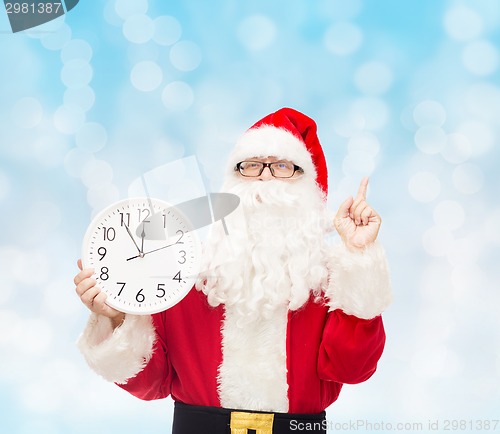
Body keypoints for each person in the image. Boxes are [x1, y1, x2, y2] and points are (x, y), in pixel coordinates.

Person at [74, 108, 392, 434]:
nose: (265, 176)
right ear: (231, 181)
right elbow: (151, 382)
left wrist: (358, 257)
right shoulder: (188, 275)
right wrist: (115, 318)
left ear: (309, 186)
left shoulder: (328, 281)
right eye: (251, 166)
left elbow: (351, 369)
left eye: (283, 166)